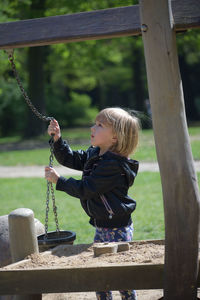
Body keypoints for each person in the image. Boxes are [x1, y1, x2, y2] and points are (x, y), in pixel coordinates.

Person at [45, 107, 140, 300]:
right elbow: (71, 158)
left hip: (117, 227)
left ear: (115, 137)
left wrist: (60, 181)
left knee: (118, 273)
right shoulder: (96, 154)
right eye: (94, 123)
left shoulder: (113, 165)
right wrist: (57, 140)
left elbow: (87, 188)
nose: (92, 127)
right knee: (100, 272)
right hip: (103, 224)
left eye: (100, 125)